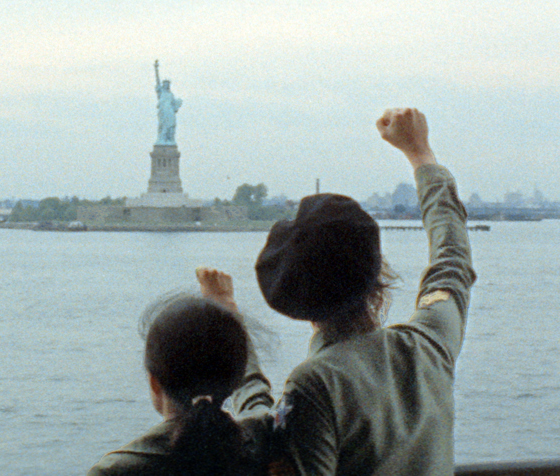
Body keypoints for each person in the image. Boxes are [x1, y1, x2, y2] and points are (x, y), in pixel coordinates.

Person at [256, 108, 476, 475]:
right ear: (378, 275)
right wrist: (420, 155)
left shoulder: (314, 385)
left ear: (291, 303)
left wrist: (229, 321)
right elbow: (451, 257)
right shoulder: (428, 345)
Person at [88, 268, 274, 476]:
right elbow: (255, 393)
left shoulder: (117, 470)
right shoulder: (264, 436)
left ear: (155, 383)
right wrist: (226, 305)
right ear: (234, 381)